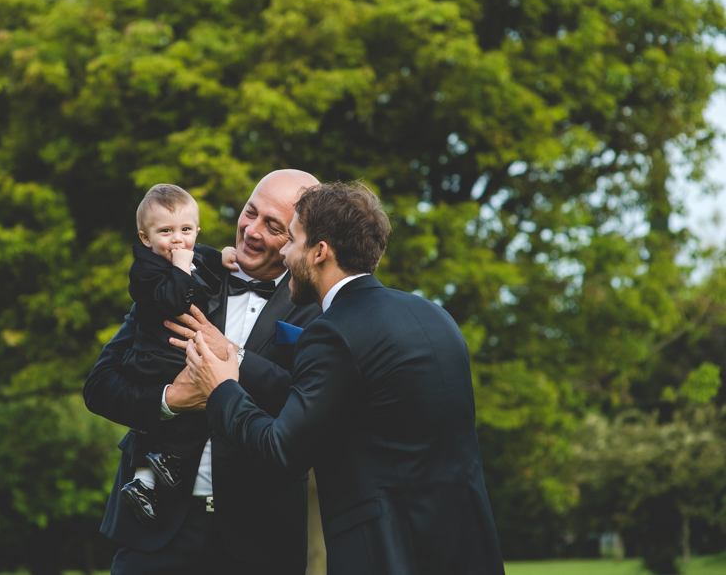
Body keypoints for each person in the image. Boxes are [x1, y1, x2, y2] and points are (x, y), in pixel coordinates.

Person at [186, 182, 507, 575]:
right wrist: (237, 356)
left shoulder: (332, 330)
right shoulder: (434, 315)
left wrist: (222, 390)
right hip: (465, 546)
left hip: (385, 551)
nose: (284, 252)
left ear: (320, 252)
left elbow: (281, 453)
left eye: (293, 240)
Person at [83, 169, 321, 575]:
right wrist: (169, 400)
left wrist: (234, 357)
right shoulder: (179, 275)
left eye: (273, 226)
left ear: (299, 237)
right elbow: (100, 386)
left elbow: (309, 405)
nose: (251, 231)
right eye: (250, 212)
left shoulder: (318, 306)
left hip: (260, 536)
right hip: (155, 528)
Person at [117, 184, 234, 525]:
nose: (178, 240)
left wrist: (221, 257)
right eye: (165, 232)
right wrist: (181, 269)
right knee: (161, 412)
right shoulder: (144, 270)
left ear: (196, 230)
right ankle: (148, 473)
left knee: (197, 405)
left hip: (176, 355)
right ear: (145, 238)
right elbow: (173, 301)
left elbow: (204, 255)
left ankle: (154, 474)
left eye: (186, 230)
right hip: (154, 357)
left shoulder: (190, 251)